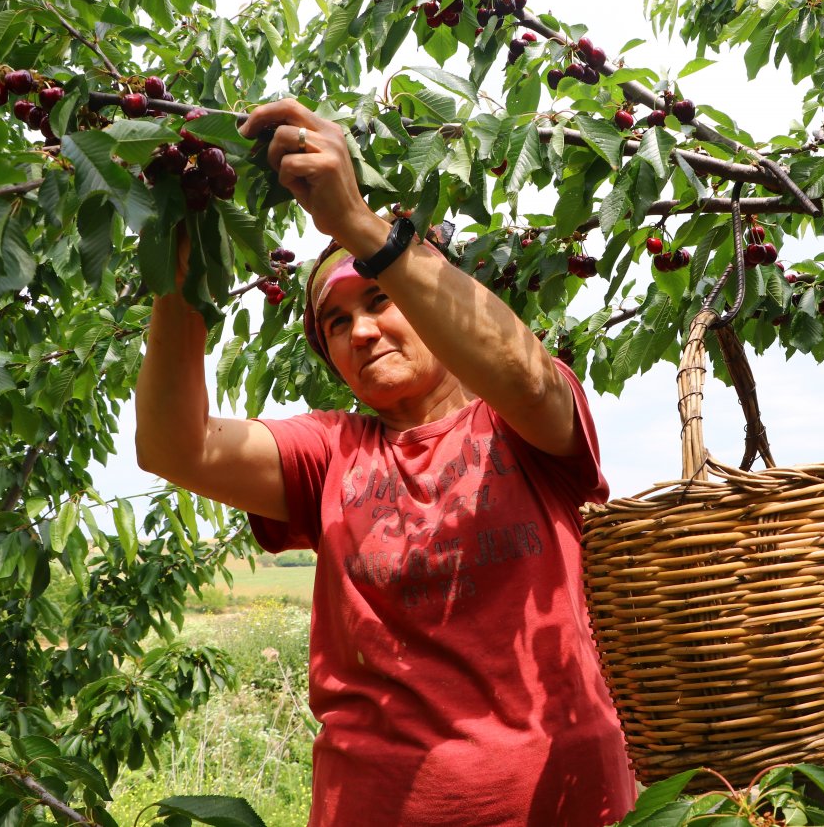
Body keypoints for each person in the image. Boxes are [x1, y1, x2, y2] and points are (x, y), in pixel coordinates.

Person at [134, 99, 636, 827]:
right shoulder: (331, 451)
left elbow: (525, 375)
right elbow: (174, 446)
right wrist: (184, 260)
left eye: (379, 300)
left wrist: (359, 225)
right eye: (336, 322)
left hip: (567, 803)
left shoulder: (519, 422)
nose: (362, 332)